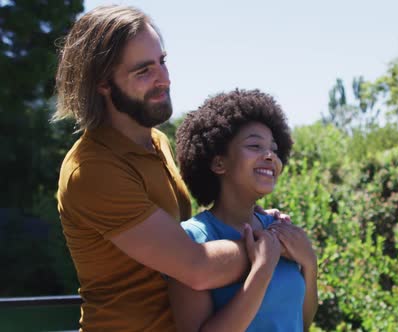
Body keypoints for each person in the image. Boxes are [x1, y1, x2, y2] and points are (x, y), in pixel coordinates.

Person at [53, 5, 287, 331]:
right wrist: (272, 244)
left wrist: (256, 219)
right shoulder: (92, 170)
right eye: (144, 71)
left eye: (162, 62)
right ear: (103, 84)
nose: (164, 79)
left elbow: (187, 230)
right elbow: (196, 267)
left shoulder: (158, 141)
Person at [170, 89, 318, 331]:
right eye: (255, 146)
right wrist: (262, 269)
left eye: (274, 148)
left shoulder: (279, 229)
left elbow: (300, 322)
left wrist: (310, 265)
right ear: (219, 163)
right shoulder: (192, 240)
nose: (270, 156)